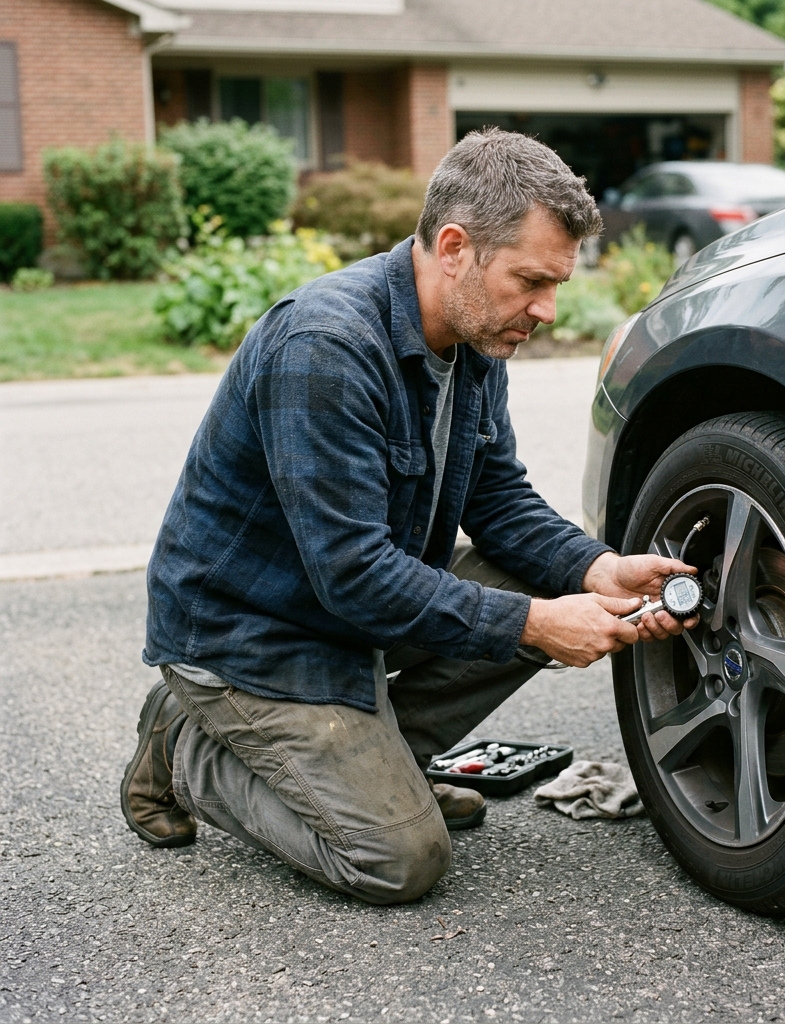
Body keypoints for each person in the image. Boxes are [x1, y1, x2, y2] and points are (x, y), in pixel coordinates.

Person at [121, 128, 697, 905]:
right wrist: (536, 623)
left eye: (557, 284)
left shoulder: (473, 340)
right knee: (399, 860)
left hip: (341, 615)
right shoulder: (325, 345)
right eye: (531, 280)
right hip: (249, 637)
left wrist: (598, 569)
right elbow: (354, 575)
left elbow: (499, 502)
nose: (549, 311)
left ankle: (366, 771)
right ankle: (191, 747)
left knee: (532, 584)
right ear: (455, 246)